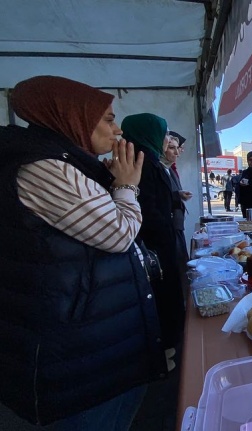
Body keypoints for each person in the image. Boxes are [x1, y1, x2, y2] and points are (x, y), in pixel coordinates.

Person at [0, 75, 166, 429]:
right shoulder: (44, 166)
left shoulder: (65, 162)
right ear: (71, 115)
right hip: (76, 356)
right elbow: (119, 234)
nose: (117, 128)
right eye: (107, 118)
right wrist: (125, 186)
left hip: (91, 343)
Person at [121, 113, 186, 356]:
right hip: (154, 246)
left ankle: (171, 345)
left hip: (160, 241)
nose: (169, 139)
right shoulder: (142, 163)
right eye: (166, 133)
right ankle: (168, 349)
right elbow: (146, 209)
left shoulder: (149, 160)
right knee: (163, 297)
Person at [162, 132, 193, 279]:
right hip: (169, 227)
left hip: (176, 224)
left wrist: (178, 194)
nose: (178, 153)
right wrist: (177, 196)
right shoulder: (157, 169)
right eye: (172, 148)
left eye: (178, 148)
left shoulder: (168, 169)